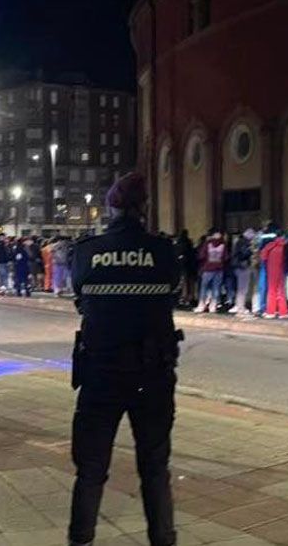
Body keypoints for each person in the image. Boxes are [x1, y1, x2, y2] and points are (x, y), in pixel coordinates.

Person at [68, 173, 181, 546]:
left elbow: (82, 300)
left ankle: (81, 539)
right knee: (154, 467)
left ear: (111, 207)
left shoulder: (86, 251)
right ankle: (162, 539)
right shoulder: (163, 251)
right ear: (143, 207)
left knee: (90, 469)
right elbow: (170, 296)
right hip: (153, 374)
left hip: (101, 373)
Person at [196, 229, 227, 313]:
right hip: (219, 269)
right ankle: (213, 306)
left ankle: (201, 305)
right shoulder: (223, 244)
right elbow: (226, 257)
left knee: (204, 288)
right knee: (216, 288)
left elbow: (201, 255)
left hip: (207, 269)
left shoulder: (207, 244)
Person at [260, 225, 288, 318]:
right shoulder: (285, 246)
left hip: (271, 270)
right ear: (283, 236)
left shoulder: (269, 246)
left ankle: (270, 311)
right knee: (281, 291)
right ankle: (283, 312)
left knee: (271, 291)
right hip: (282, 270)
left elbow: (263, 257)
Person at [229, 229, 256, 315]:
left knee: (240, 288)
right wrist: (251, 251)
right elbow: (244, 253)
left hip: (237, 266)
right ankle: (241, 308)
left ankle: (239, 306)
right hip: (243, 266)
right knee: (243, 288)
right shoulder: (245, 243)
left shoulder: (238, 241)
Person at [175, 230, 198, 309]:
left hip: (182, 266)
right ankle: (189, 298)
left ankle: (183, 298)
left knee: (183, 282)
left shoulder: (179, 243)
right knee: (189, 283)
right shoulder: (189, 244)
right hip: (189, 266)